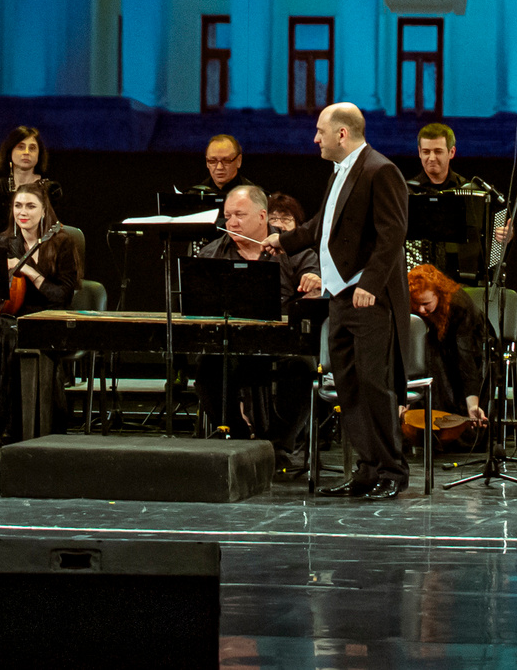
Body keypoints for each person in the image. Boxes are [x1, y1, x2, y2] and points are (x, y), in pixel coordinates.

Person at [276, 102, 412, 501]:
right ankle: (368, 469)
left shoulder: (380, 170)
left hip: (369, 299)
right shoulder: (340, 172)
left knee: (375, 386)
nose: (315, 138)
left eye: (320, 131)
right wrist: (281, 241)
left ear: (342, 133)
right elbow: (322, 225)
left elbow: (392, 235)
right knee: (349, 386)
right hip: (340, 298)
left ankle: (392, 470)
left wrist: (370, 283)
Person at [192, 184, 315, 463]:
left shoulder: (294, 248)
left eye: (239, 215)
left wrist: (316, 282)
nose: (231, 222)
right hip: (232, 347)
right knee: (207, 367)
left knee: (301, 367)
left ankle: (279, 445)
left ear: (263, 217)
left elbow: (315, 277)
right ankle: (237, 438)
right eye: (227, 216)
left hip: (282, 346)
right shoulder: (212, 254)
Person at [0, 181, 81, 443]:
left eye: (30, 206)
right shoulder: (6, 241)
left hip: (50, 318)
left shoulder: (63, 242)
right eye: (18, 206)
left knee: (8, 333)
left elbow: (62, 297)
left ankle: (17, 425)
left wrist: (28, 270)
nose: (23, 212)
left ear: (44, 211)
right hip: (14, 316)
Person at [405, 122, 508, 277]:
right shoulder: (407, 191)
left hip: (462, 283)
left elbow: (494, 242)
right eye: (426, 151)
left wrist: (504, 237)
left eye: (438, 151)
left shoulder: (470, 191)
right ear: (419, 152)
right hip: (420, 282)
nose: (431, 158)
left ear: (451, 152)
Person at [407, 262, 493, 436]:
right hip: (437, 347)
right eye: (416, 304)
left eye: (426, 303)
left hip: (475, 349)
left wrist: (473, 405)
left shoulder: (460, 307)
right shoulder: (416, 307)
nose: (421, 310)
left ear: (439, 294)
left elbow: (466, 360)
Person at [0, 126, 61, 206]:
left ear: (39, 154)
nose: (26, 152)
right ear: (10, 152)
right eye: (21, 147)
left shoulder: (50, 189)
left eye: (32, 148)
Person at [203, 134, 252, 203]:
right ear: (207, 163)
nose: (219, 167)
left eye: (226, 160)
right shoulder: (193, 195)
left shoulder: (255, 197)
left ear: (239, 161)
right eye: (213, 161)